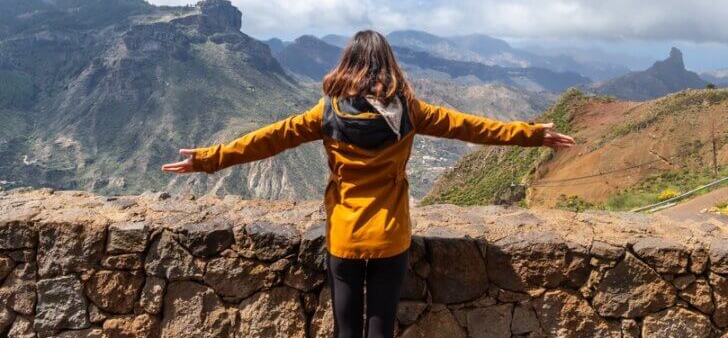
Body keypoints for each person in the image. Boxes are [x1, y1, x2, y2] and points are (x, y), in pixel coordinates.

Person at [163, 30, 575, 337]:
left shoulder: (326, 113)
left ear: (348, 64)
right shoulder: (411, 111)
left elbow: (268, 139)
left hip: (344, 236)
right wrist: (530, 134)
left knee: (346, 331)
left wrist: (207, 160)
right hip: (391, 238)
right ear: (389, 64)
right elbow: (470, 127)